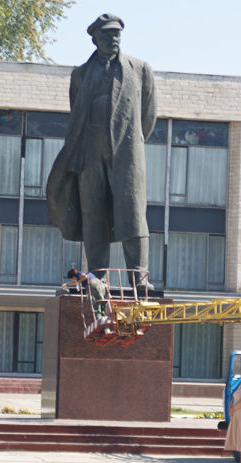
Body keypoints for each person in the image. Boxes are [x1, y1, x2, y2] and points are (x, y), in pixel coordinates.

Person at [47, 13, 156, 289]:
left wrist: (130, 142)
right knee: (93, 216)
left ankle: (140, 277)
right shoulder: (80, 75)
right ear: (94, 38)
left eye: (117, 34)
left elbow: (148, 117)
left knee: (132, 215)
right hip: (89, 156)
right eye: (107, 35)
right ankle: (98, 278)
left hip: (126, 156)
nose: (114, 39)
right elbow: (77, 115)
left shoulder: (140, 70)